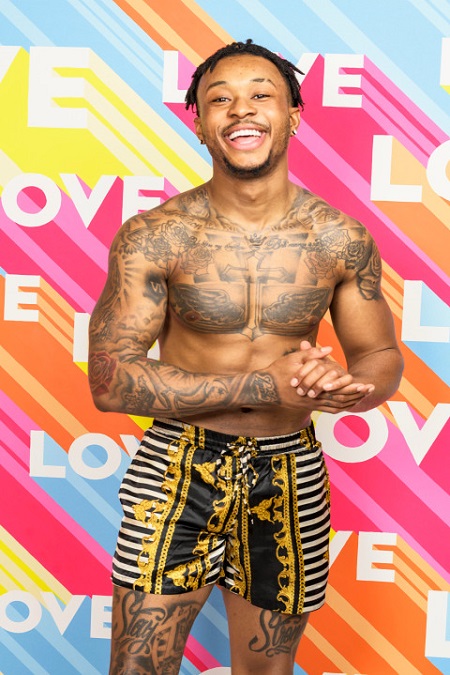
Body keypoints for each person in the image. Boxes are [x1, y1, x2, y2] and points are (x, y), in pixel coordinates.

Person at [88, 39, 403, 675]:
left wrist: (349, 388)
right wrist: (262, 387)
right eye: (220, 99)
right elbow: (111, 380)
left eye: (262, 95)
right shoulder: (155, 235)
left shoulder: (340, 238)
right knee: (138, 667)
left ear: (293, 115)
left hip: (290, 468)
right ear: (199, 122)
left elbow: (380, 354)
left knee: (266, 671)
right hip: (178, 464)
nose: (241, 110)